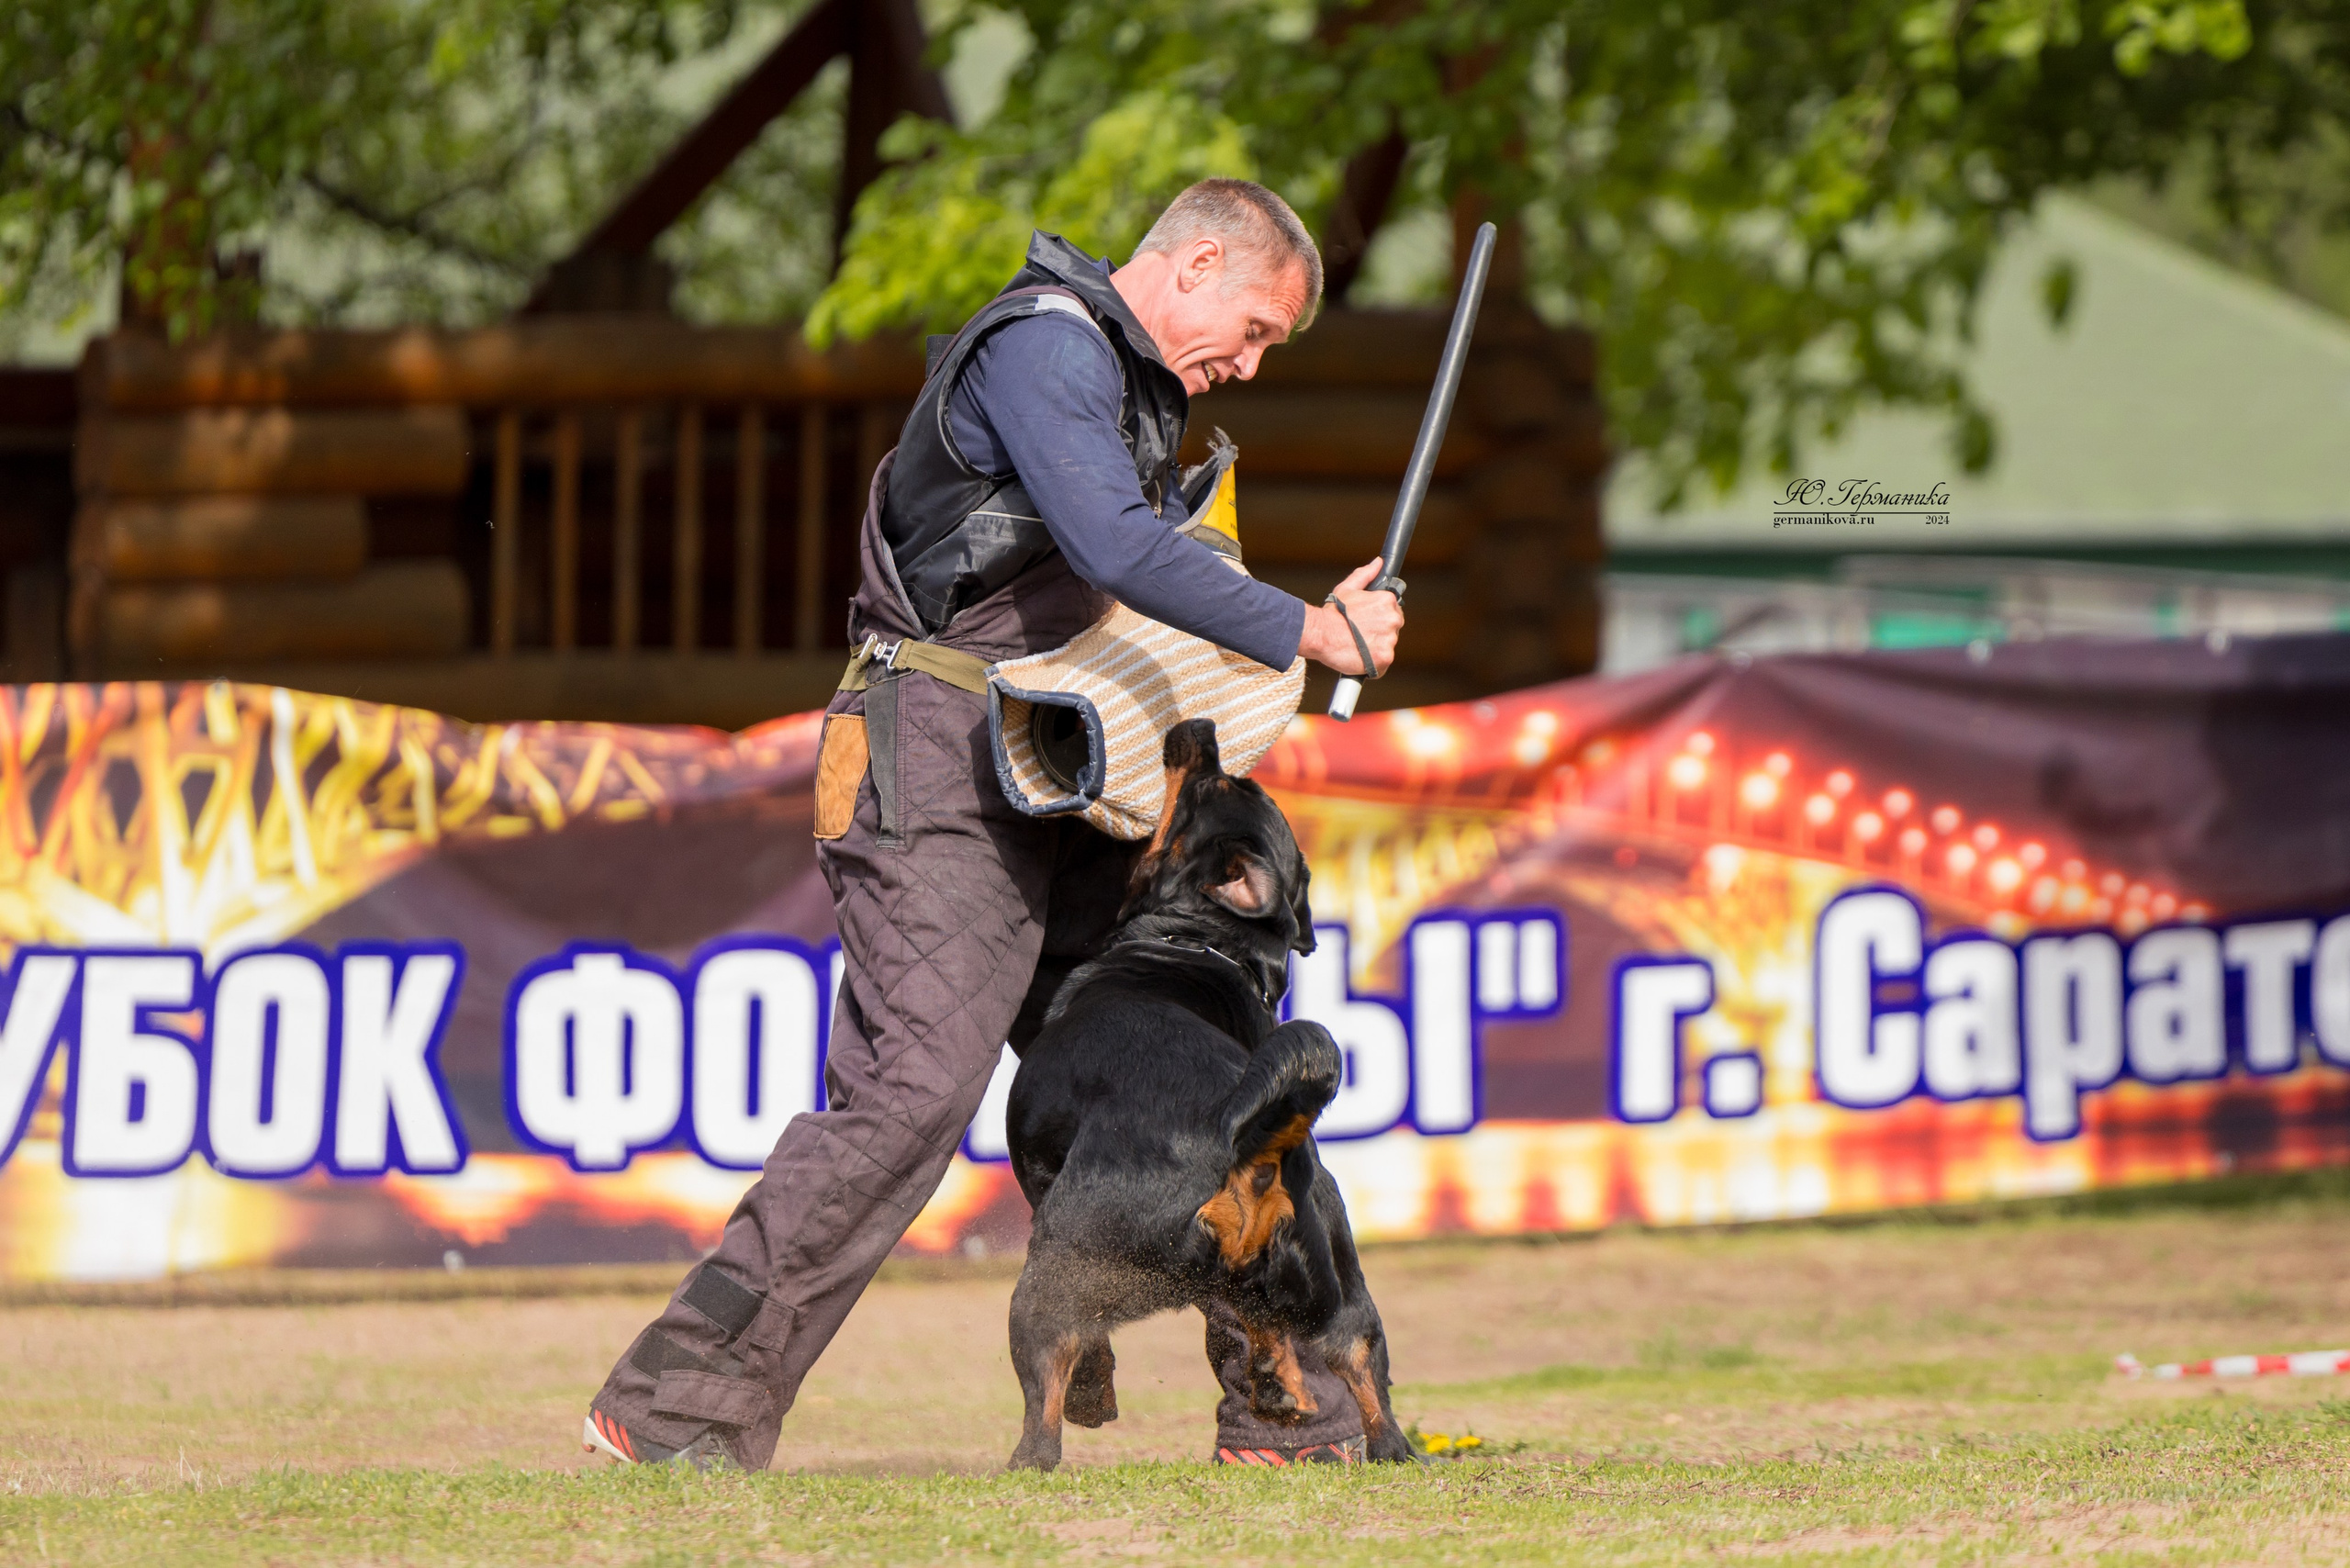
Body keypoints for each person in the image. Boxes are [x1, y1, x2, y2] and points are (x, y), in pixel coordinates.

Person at [581, 178, 1404, 1473]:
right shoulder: (1043, 345)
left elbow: (1134, 578)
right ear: (1191, 266)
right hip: (935, 758)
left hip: (1063, 769)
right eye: (1251, 327)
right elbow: (1113, 546)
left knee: (1202, 1052)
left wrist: (1308, 622)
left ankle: (1294, 1418)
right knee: (914, 1092)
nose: (1245, 365)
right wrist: (1309, 629)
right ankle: (677, 1405)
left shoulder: (1134, 390)